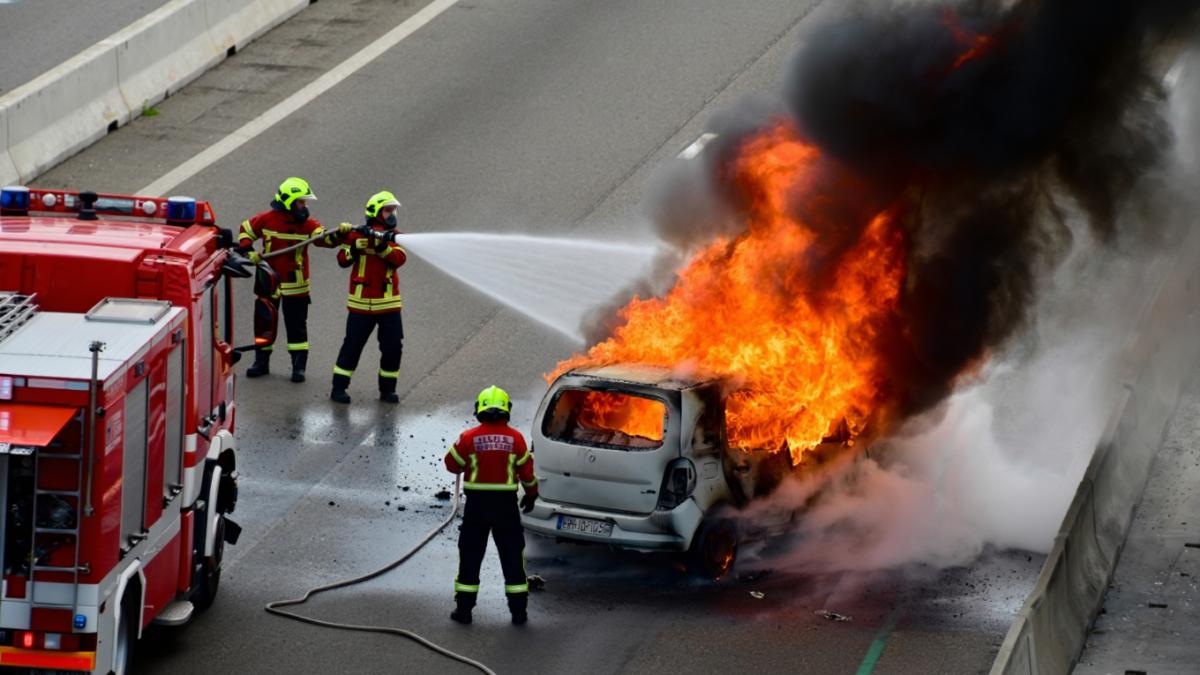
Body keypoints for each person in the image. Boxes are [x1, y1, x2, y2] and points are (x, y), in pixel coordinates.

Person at [237, 177, 349, 382]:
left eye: (305, 202)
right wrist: (248, 251)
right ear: (288, 202)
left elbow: (324, 239)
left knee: (296, 325)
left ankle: (298, 366)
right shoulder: (267, 219)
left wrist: (341, 234)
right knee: (264, 322)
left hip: (296, 284)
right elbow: (245, 231)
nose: (304, 207)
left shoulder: (308, 225)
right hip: (268, 281)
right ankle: (261, 362)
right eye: (301, 202)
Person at [444, 386, 538, 626]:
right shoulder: (516, 438)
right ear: (507, 410)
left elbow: (451, 464)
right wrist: (531, 493)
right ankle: (519, 612)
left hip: (477, 507)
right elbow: (527, 473)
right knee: (512, 558)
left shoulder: (468, 437)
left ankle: (464, 611)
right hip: (506, 507)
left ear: (479, 409)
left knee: (471, 556)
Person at [330, 191, 408, 404]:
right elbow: (342, 259)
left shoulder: (393, 236)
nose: (392, 214)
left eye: (393, 210)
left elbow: (399, 258)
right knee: (352, 347)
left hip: (389, 305)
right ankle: (338, 388)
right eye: (388, 210)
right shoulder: (357, 236)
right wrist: (354, 248)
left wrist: (381, 246)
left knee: (393, 348)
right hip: (360, 305)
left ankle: (387, 390)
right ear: (376, 212)